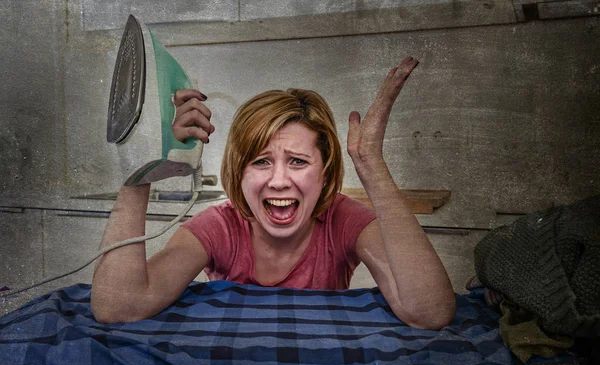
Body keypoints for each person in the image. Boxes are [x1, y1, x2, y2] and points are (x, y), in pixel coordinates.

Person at [91, 57, 456, 329]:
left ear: (325, 172)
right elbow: (118, 308)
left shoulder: (344, 220)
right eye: (261, 162)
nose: (279, 181)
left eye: (297, 161)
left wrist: (370, 162)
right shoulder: (219, 226)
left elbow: (429, 312)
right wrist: (141, 167)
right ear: (239, 170)